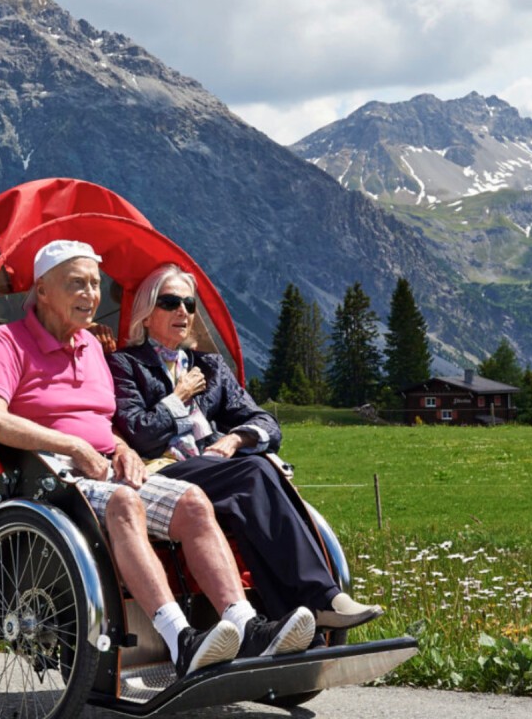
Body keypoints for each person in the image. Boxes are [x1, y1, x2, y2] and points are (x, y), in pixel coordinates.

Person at [0, 240, 316, 677]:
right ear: (41, 290)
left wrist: (122, 448)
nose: (90, 295)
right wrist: (73, 447)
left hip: (106, 465)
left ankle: (244, 625)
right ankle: (180, 640)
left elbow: (106, 423)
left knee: (193, 501)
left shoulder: (94, 348)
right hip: (51, 474)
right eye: (76, 284)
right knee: (124, 503)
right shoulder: (6, 341)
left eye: (95, 284)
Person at [107, 264, 383, 630]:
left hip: (215, 466)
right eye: (170, 302)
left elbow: (267, 424)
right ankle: (319, 599)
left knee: (263, 468)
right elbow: (139, 433)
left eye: (189, 304)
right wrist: (178, 398)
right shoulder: (126, 365)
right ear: (145, 313)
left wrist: (235, 438)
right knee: (254, 472)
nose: (183, 312)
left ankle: (303, 609)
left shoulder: (211, 366)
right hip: (165, 470)